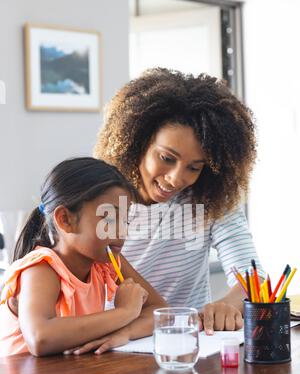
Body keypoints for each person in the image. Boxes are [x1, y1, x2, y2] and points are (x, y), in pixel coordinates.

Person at [94, 67, 264, 334]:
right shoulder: (99, 199)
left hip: (189, 345)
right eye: (167, 158)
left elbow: (255, 279)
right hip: (115, 343)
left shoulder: (212, 199)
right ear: (138, 142)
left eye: (194, 167)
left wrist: (227, 305)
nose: (176, 178)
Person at [0, 157, 167, 357]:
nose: (122, 231)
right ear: (65, 220)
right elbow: (39, 337)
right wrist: (124, 313)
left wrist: (126, 332)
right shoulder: (42, 268)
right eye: (110, 218)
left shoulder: (107, 262)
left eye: (125, 220)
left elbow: (161, 312)